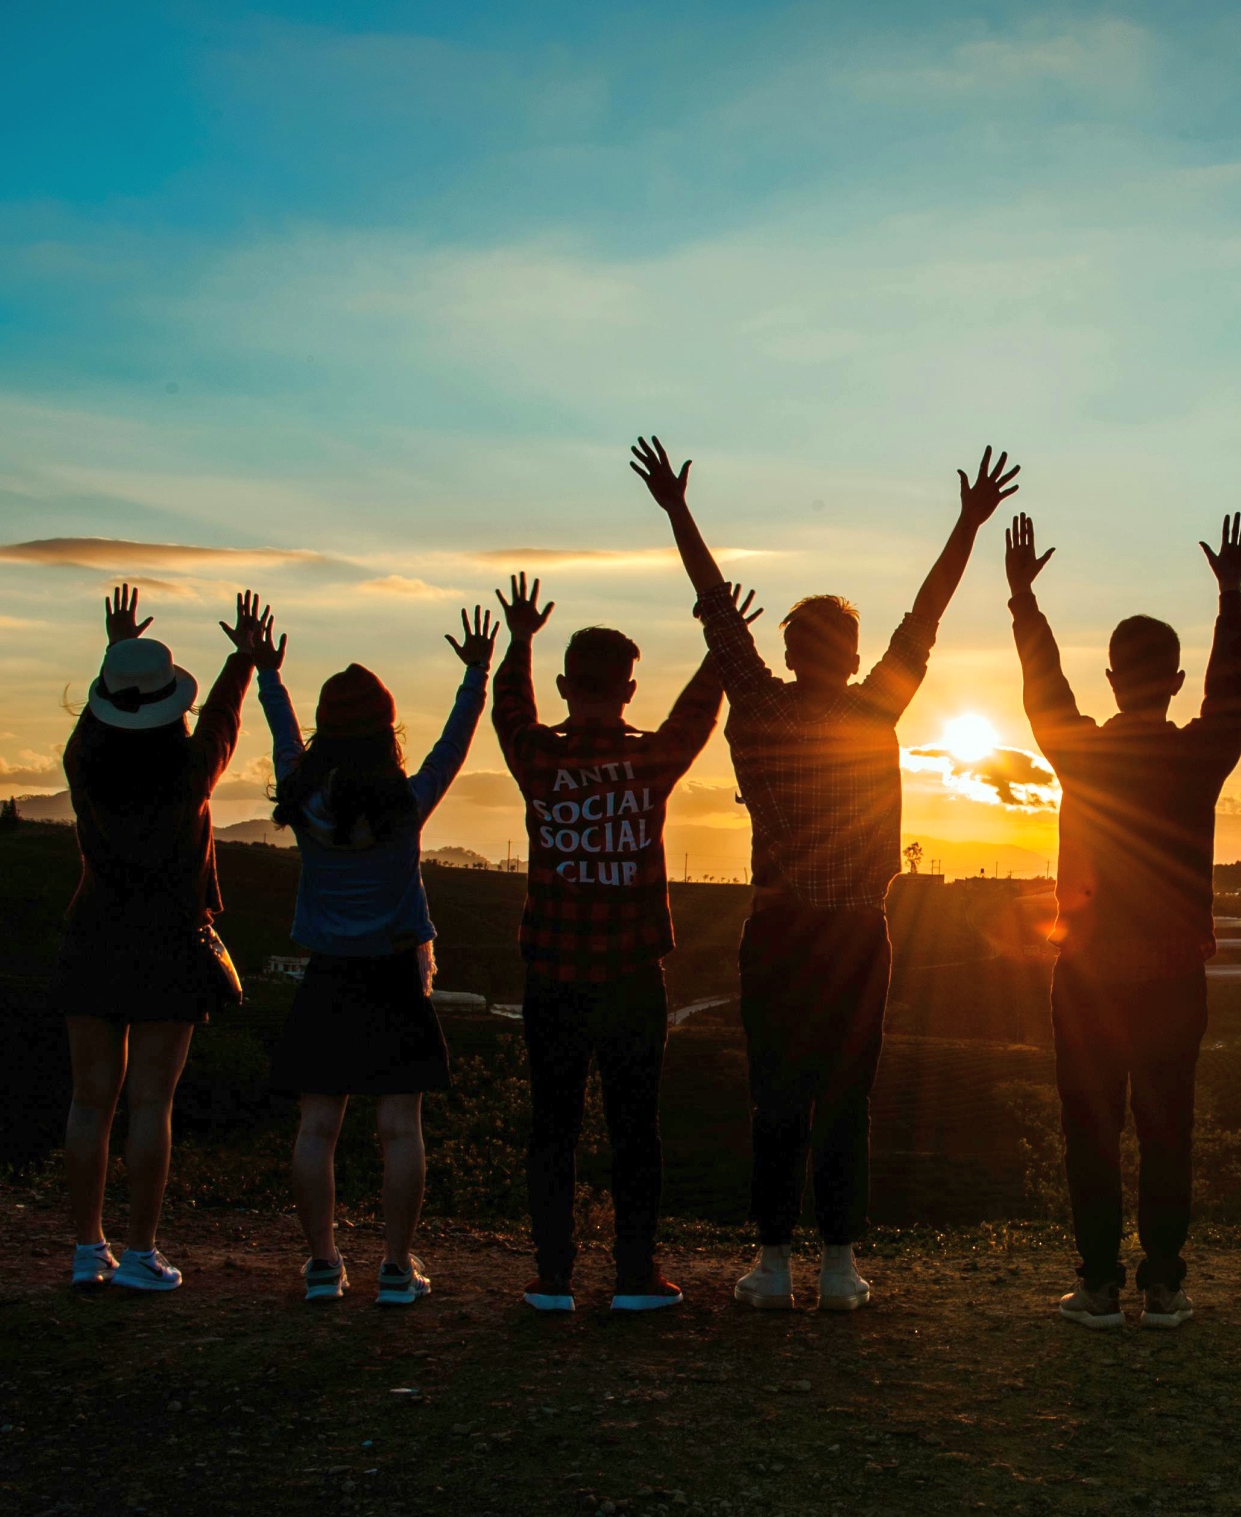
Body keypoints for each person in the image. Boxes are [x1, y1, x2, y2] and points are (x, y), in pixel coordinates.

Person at [636, 435, 1019, 1312]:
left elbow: (713, 609)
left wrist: (677, 510)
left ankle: (772, 1263)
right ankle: (840, 1263)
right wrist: (965, 522)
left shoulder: (760, 705)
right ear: (848, 654)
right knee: (849, 1094)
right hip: (854, 932)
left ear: (791, 647)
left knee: (774, 1091)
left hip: (776, 928)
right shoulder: (873, 706)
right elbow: (926, 615)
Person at [1005, 510, 1241, 1331]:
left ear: (1111, 679)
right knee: (1167, 1129)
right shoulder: (1199, 755)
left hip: (1085, 973)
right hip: (1175, 975)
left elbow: (1046, 691)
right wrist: (1230, 598)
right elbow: (1234, 698)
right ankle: (1166, 1285)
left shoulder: (1081, 750)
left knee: (1092, 1131)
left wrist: (1024, 604)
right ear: (1174, 680)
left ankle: (1101, 1286)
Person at [488, 572, 756, 1314]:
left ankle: (552, 1277)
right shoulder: (649, 762)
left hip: (552, 974)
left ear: (567, 685)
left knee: (554, 1126)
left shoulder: (539, 760)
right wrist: (720, 643)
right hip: (634, 975)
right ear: (630, 689)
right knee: (636, 1129)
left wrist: (518, 639)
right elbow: (698, 714)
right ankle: (636, 1276)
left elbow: (508, 709)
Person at [254, 605, 495, 1306]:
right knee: (399, 1128)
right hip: (394, 975)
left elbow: (282, 735)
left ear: (328, 730)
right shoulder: (405, 803)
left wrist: (268, 672)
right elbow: (452, 745)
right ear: (387, 730)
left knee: (317, 1125)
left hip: (326, 974)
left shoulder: (304, 801)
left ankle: (323, 1266)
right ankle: (396, 1266)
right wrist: (476, 674)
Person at [55, 585, 266, 1292]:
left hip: (93, 936)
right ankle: (142, 1250)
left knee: (91, 1100)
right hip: (169, 942)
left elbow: (98, 722)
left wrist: (117, 652)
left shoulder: (83, 764)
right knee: (151, 1102)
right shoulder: (187, 772)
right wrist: (243, 657)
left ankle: (88, 1248)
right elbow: (224, 721)